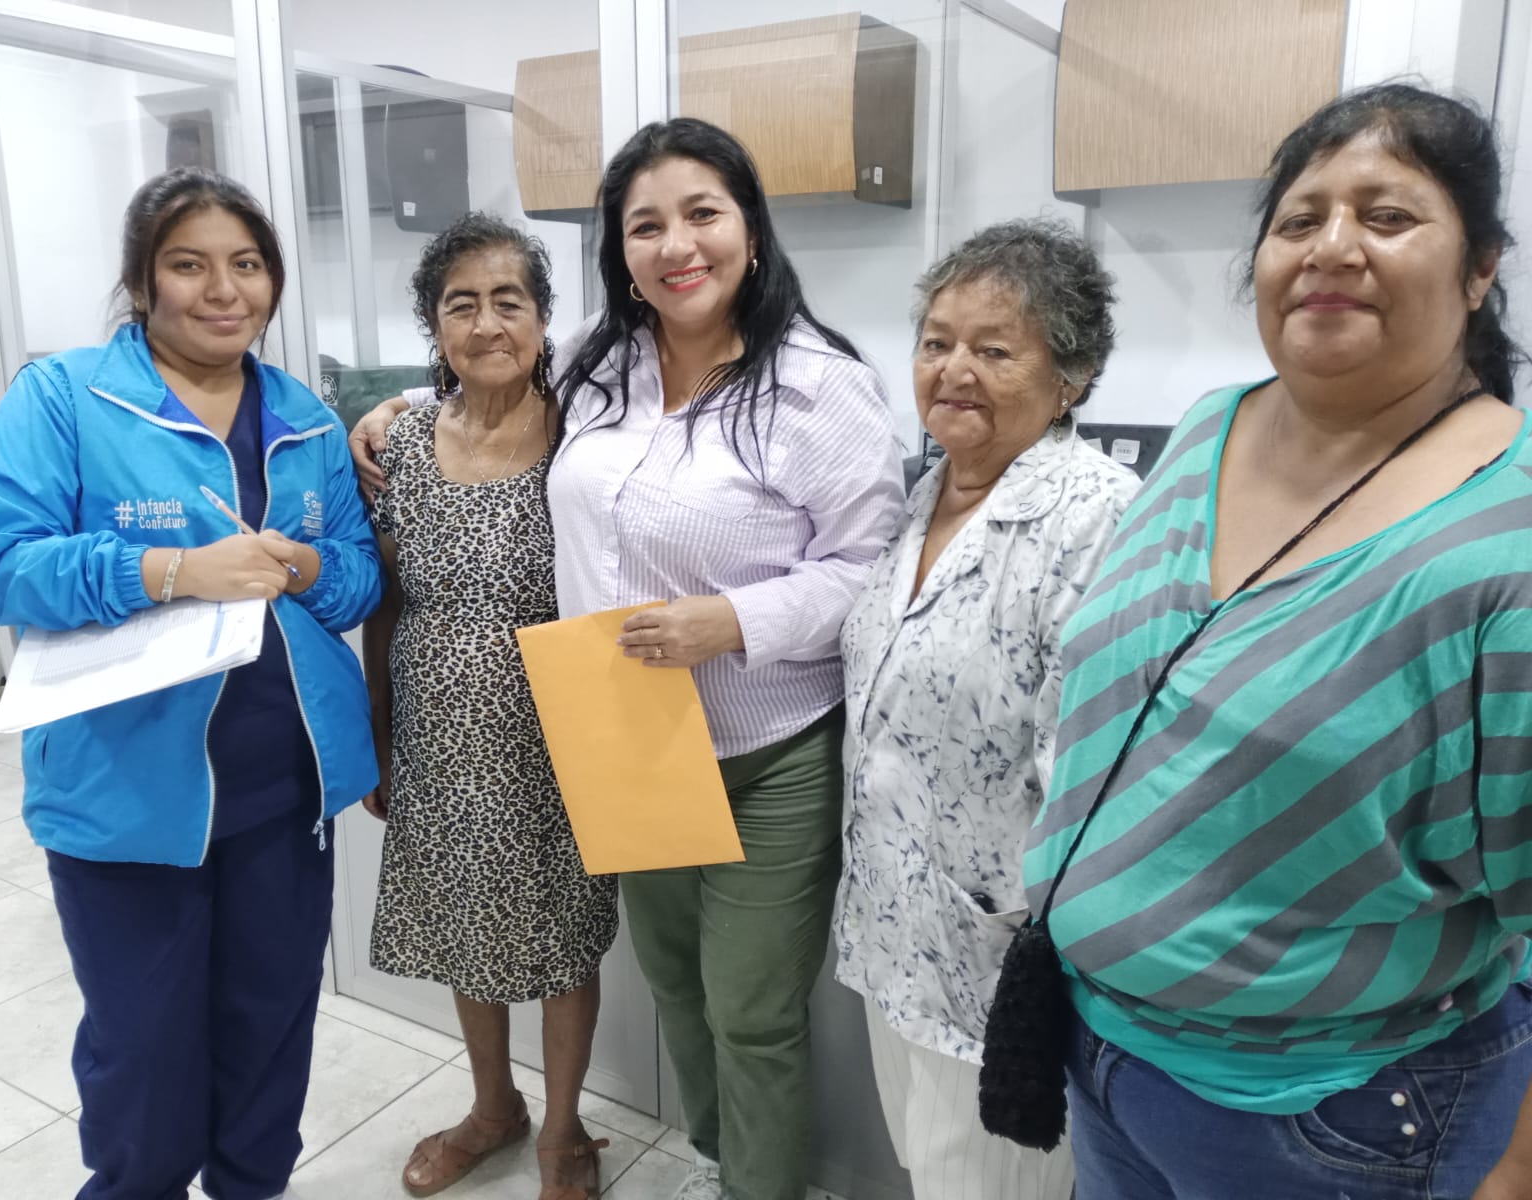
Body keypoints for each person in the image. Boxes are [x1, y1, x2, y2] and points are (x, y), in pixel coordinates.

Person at [351, 117, 904, 1200]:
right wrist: (401, 405)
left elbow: (868, 569)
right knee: (679, 993)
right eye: (645, 225)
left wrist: (732, 620)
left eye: (702, 214)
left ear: (750, 228)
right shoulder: (605, 363)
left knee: (750, 1009)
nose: (675, 245)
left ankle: (757, 1189)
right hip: (627, 740)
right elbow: (493, 375)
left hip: (764, 747)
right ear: (620, 249)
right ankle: (722, 1164)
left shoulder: (820, 384)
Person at [1020, 83, 1532, 1200]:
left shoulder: (1506, 539)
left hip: (1331, 1115)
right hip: (1106, 1058)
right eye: (1300, 219)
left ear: (1480, 269)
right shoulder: (1214, 423)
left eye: (1387, 217)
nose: (1331, 247)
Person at [0, 167, 382, 1200]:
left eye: (247, 265)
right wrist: (171, 571)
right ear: (143, 280)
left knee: (269, 1040)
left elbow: (359, 576)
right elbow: (1, 562)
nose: (223, 290)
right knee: (144, 1064)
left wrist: (309, 567)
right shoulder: (64, 398)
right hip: (125, 798)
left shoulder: (304, 416)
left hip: (283, 794)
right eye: (189, 265)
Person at [835, 219, 1137, 1200]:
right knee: (926, 1167)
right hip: (895, 936)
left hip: (997, 965)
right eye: (937, 342)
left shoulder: (1096, 514)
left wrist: (1024, 921)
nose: (954, 369)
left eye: (994, 350)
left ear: (1071, 377)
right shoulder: (924, 495)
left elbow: (1092, 773)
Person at [360, 212, 618, 1200]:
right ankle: (492, 1107)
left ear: (545, 319)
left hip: (557, 734)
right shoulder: (403, 441)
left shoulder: (586, 435)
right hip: (438, 733)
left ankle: (562, 1130)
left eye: (508, 301)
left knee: (561, 938)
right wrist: (380, 734)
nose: (486, 323)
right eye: (460, 305)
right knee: (467, 922)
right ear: (434, 327)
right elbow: (386, 596)